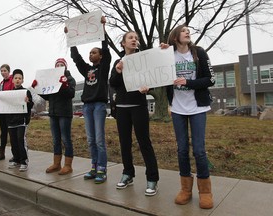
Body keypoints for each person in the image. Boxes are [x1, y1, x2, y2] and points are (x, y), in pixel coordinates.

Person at [164, 24, 215, 209]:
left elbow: (211, 79)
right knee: (182, 149)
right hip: (178, 108)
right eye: (183, 30)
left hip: (197, 108)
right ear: (175, 36)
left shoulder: (199, 52)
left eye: (188, 31)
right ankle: (185, 189)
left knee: (199, 150)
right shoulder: (168, 54)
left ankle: (205, 192)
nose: (187, 32)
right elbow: (154, 69)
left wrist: (188, 82)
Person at [109, 31, 159, 196]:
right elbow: (113, 83)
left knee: (144, 142)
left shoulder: (143, 59)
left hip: (138, 106)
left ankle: (152, 178)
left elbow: (152, 80)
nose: (134, 40)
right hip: (122, 108)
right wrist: (117, 71)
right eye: (130, 38)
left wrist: (148, 88)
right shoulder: (119, 61)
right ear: (123, 43)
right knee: (124, 143)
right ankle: (128, 173)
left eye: (136, 38)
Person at [68, 16, 111, 184]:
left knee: (100, 140)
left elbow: (106, 51)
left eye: (93, 52)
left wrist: (102, 29)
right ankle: (93, 167)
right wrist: (71, 39)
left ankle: (102, 168)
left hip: (99, 106)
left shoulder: (104, 67)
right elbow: (76, 58)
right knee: (91, 139)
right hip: (87, 107)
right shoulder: (86, 69)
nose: (90, 54)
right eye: (90, 53)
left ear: (100, 56)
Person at [32, 58, 76, 175]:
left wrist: (64, 84)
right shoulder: (51, 80)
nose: (59, 66)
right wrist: (38, 88)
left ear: (65, 67)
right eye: (57, 65)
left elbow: (71, 94)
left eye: (62, 65)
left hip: (64, 114)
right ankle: (56, 164)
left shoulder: (70, 79)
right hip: (53, 113)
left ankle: (68, 165)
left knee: (66, 139)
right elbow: (47, 96)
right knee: (56, 139)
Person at [2, 69, 34, 171]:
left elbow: (31, 105)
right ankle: (16, 159)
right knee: (13, 141)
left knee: (21, 140)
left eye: (19, 78)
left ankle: (24, 160)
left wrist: (28, 102)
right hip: (11, 121)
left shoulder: (26, 92)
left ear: (22, 80)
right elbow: (3, 104)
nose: (17, 80)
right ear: (12, 80)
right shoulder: (8, 93)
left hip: (21, 121)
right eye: (15, 78)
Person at [0, 64, 14, 161]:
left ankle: (16, 155)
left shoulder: (12, 80)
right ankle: (1, 153)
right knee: (3, 133)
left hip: (11, 111)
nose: (3, 72)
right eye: (1, 71)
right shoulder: (1, 83)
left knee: (12, 133)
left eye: (4, 70)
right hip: (2, 112)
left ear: (9, 71)